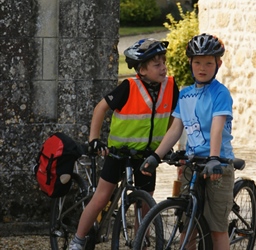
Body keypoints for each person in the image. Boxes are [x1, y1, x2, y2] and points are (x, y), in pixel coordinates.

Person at [69, 38, 179, 250]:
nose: (163, 67)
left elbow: (174, 116)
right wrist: (94, 140)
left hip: (148, 156)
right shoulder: (129, 87)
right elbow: (100, 108)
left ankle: (140, 240)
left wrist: (166, 144)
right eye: (157, 65)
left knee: (145, 203)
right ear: (142, 70)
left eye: (164, 62)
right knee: (101, 198)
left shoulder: (171, 87)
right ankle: (78, 240)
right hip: (118, 153)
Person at [140, 33, 235, 250]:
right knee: (187, 224)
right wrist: (156, 156)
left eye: (209, 63)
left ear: (218, 64)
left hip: (217, 164)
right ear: (190, 63)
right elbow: (175, 129)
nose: (202, 68)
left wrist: (213, 158)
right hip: (192, 164)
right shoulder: (185, 94)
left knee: (217, 228)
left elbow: (217, 128)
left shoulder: (220, 93)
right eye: (198, 62)